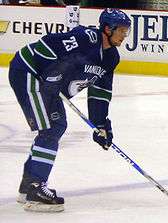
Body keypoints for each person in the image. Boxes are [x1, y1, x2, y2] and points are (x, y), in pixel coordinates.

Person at [8, 8, 131, 212]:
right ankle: (35, 188)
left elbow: (100, 92)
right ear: (108, 29)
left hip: (48, 86)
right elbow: (48, 43)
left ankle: (28, 185)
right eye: (122, 30)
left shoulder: (111, 58)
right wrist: (52, 76)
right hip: (29, 72)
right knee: (52, 127)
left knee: (55, 126)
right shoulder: (85, 37)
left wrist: (100, 124)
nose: (124, 35)